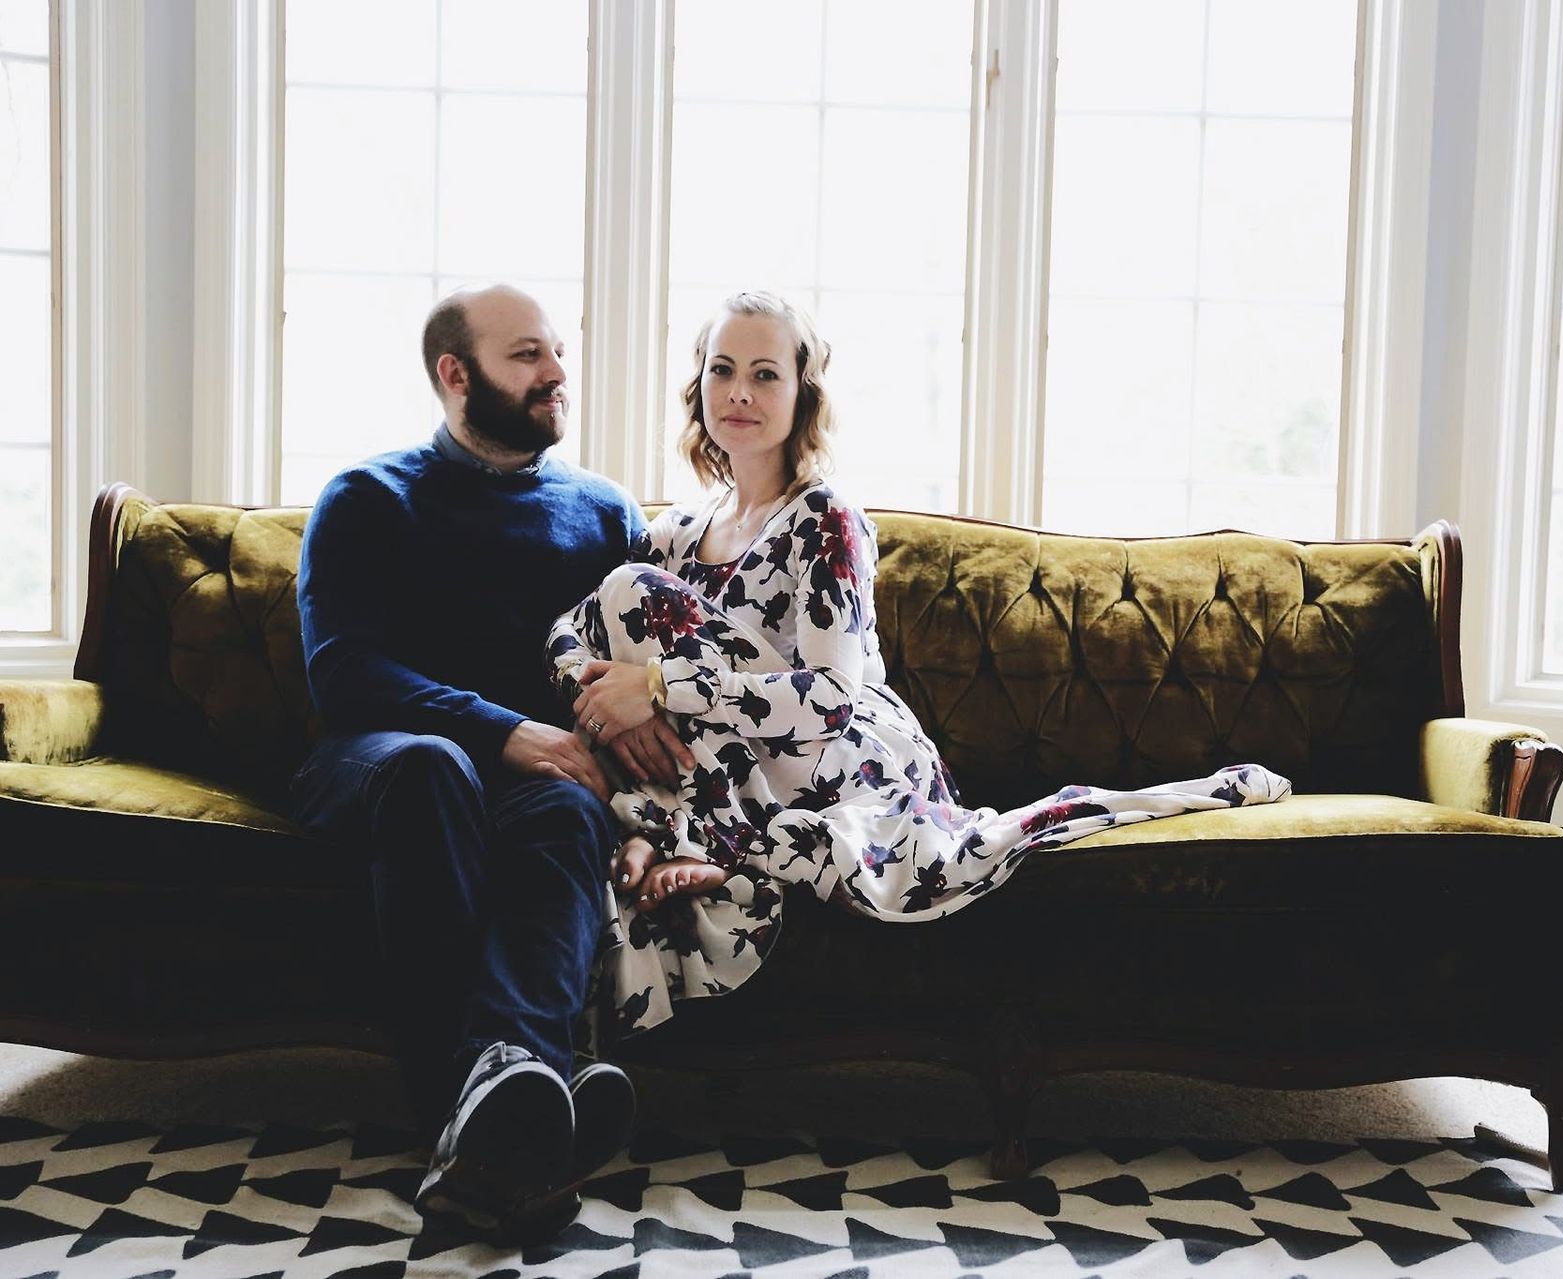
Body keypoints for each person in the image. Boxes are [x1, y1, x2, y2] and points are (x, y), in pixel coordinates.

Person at [546, 291, 1291, 1050]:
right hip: (734, 767)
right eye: (723, 369)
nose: (739, 391)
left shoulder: (823, 520)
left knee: (630, 596)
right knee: (624, 602)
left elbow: (832, 698)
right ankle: (686, 835)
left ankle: (678, 835)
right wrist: (601, 692)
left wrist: (660, 687)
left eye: (766, 374)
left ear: (802, 394)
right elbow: (568, 634)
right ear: (698, 384)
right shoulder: (675, 531)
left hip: (843, 759)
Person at [294, 284, 669, 1240]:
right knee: (436, 767)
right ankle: (489, 1107)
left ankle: (503, 1120)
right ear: (453, 375)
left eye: (556, 353)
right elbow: (344, 672)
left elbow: (624, 684)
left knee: (568, 808)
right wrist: (501, 730)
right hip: (380, 766)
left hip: (529, 786)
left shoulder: (603, 513)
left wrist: (645, 811)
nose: (556, 375)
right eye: (526, 356)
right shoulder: (367, 498)